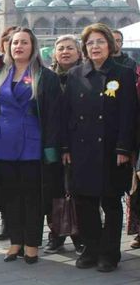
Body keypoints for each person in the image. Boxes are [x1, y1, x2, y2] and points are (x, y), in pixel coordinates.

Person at [0, 27, 62, 264]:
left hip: (32, 144)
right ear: (8, 47)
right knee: (10, 196)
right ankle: (15, 242)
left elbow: (53, 116)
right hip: (3, 143)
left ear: (32, 47)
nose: (18, 46)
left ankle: (32, 243)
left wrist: (52, 148)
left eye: (24, 42)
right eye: (15, 43)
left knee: (32, 196)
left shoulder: (45, 77)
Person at [62, 23, 137, 272]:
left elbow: (129, 115)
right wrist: (66, 147)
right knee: (85, 203)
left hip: (111, 151)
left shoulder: (123, 73)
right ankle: (90, 249)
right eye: (90, 43)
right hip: (82, 150)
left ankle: (109, 254)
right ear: (84, 47)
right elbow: (67, 114)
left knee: (111, 203)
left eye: (100, 42)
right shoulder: (75, 74)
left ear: (110, 45)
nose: (95, 47)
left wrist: (124, 149)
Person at [44, 35, 83, 254]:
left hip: (79, 143)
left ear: (79, 52)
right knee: (54, 190)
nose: (65, 52)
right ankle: (56, 233)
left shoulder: (86, 76)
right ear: (54, 53)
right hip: (52, 142)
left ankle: (79, 234)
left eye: (70, 48)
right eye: (61, 48)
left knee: (78, 191)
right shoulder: (48, 77)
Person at [0, 25, 17, 241]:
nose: (12, 43)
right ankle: (6, 220)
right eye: (8, 39)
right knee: (4, 181)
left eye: (17, 40)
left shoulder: (33, 69)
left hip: (25, 135)